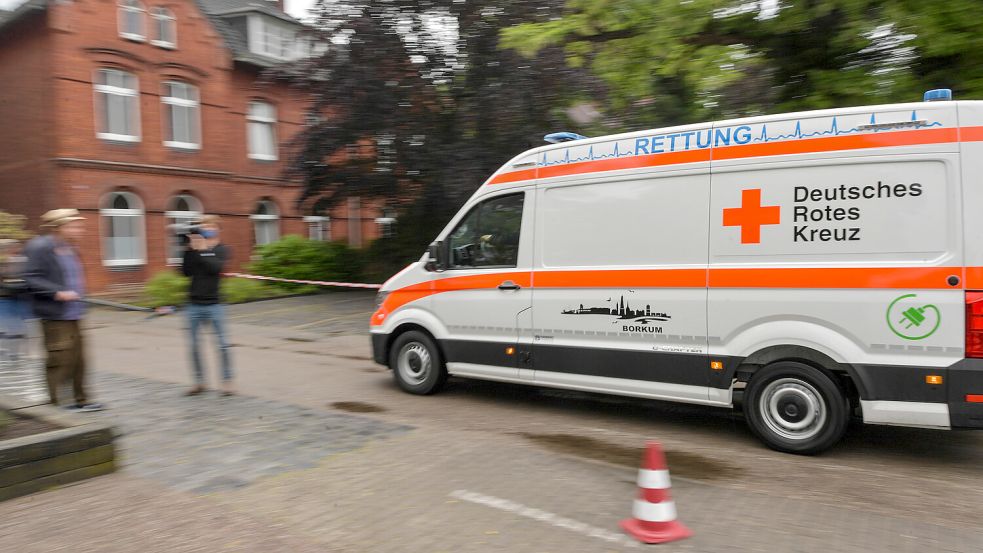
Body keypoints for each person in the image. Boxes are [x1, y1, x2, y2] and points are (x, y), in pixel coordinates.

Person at [22, 209, 102, 411]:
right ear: (60, 227)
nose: (80, 229)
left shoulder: (70, 248)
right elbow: (31, 278)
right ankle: (60, 403)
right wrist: (57, 292)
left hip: (74, 312)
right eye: (75, 225)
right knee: (60, 359)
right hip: (55, 315)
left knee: (79, 359)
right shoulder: (40, 247)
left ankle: (81, 399)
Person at [181, 214, 234, 396]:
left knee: (222, 345)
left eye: (210, 225)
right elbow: (186, 273)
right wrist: (189, 250)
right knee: (194, 346)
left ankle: (227, 382)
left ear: (218, 228)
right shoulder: (196, 249)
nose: (206, 228)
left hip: (214, 305)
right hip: (193, 305)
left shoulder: (223, 249)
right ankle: (199, 382)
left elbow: (216, 268)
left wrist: (202, 249)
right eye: (203, 225)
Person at [0, 239, 30, 363]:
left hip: (19, 298)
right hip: (4, 299)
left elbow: (28, 277)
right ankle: (10, 352)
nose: (14, 249)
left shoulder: (22, 261)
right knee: (8, 326)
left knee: (18, 327)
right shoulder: (3, 263)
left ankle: (14, 353)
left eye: (16, 247)